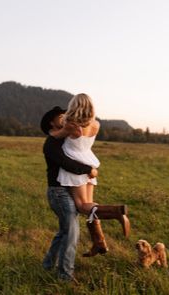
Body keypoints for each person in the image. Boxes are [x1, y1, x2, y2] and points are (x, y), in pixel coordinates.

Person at [40, 106, 108, 283]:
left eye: (65, 116)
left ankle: (47, 264)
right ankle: (65, 276)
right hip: (59, 192)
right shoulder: (51, 143)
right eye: (61, 117)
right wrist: (89, 170)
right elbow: (67, 163)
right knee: (71, 234)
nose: (64, 119)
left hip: (68, 189)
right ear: (52, 122)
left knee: (64, 232)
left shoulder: (64, 139)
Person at [49, 94, 130, 240]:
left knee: (81, 206)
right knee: (89, 206)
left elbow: (55, 136)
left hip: (76, 165)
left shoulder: (71, 126)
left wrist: (53, 129)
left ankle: (117, 213)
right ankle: (99, 241)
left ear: (74, 106)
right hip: (89, 162)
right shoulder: (96, 125)